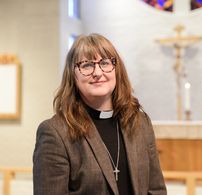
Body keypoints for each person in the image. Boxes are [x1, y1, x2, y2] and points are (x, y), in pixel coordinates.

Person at [33, 33, 167, 195]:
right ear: (72, 75)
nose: (97, 72)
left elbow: (156, 189)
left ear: (116, 70)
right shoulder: (56, 132)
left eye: (104, 63)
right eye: (87, 65)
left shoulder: (139, 122)